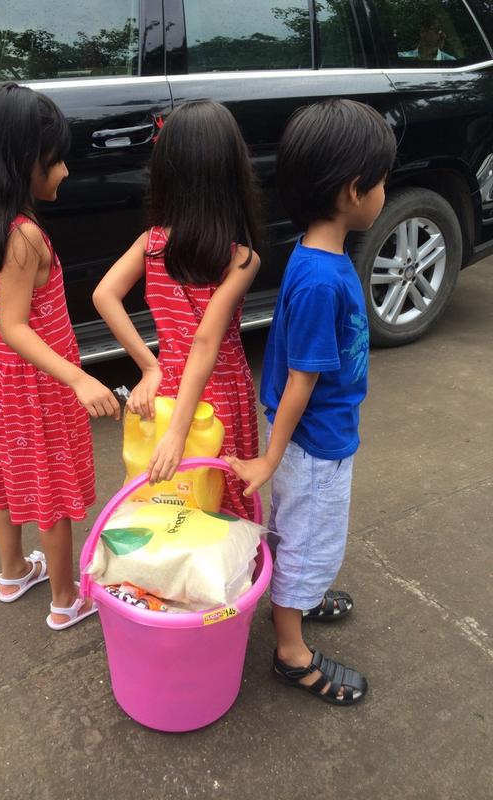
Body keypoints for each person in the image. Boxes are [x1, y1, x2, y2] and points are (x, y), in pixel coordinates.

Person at [226, 99, 397, 705]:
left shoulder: (313, 252)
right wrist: (271, 460)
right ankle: (292, 652)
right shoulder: (323, 278)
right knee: (310, 534)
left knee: (300, 526)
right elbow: (302, 379)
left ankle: (304, 594)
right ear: (354, 191)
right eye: (380, 182)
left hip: (313, 437)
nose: (384, 192)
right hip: (317, 443)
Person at [0, 82, 120, 630]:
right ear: (26, 163)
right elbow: (14, 324)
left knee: (8, 476)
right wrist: (78, 379)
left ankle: (12, 572)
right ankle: (65, 598)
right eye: (56, 163)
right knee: (51, 486)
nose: (65, 173)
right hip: (38, 383)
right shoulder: (25, 235)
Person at [93, 100, 261, 519]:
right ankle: (225, 577)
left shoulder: (151, 243)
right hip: (222, 395)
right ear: (230, 173)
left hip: (169, 389)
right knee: (223, 493)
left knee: (174, 500)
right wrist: (180, 430)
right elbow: (206, 342)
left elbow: (103, 296)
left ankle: (173, 579)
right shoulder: (240, 258)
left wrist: (150, 367)